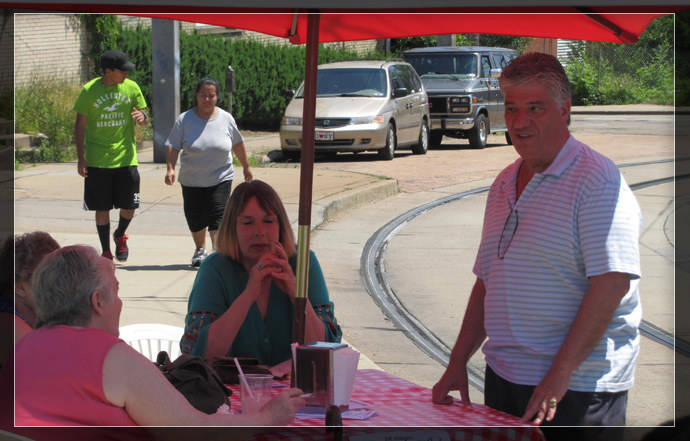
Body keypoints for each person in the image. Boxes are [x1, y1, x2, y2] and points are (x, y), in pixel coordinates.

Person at [432, 53, 642, 441]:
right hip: (504, 377)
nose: (519, 121)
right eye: (511, 108)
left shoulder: (597, 181)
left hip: (577, 390)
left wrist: (557, 377)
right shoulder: (502, 184)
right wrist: (458, 360)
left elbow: (612, 284)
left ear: (564, 109)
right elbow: (487, 281)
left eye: (534, 108)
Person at [0, 245, 305, 441]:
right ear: (97, 302)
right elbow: (196, 431)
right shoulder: (109, 357)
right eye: (116, 292)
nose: (120, 303)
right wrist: (269, 416)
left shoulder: (22, 348)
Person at [180, 180, 342, 365]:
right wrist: (248, 295)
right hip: (229, 391)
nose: (259, 231)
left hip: (295, 391)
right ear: (232, 228)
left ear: (281, 226)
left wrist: (295, 292)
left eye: (268, 221)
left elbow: (328, 349)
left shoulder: (304, 263)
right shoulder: (215, 269)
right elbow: (195, 353)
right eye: (248, 222)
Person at [165, 77, 253, 267]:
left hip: (220, 176)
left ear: (217, 97)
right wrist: (170, 168)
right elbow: (173, 146)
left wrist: (246, 166)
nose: (207, 99)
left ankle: (217, 253)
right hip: (192, 179)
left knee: (218, 214)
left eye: (211, 96)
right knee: (195, 216)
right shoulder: (185, 120)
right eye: (203, 95)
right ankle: (200, 249)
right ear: (196, 96)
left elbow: (237, 143)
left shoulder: (226, 118)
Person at [74, 49, 148, 262]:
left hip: (126, 158)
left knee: (130, 205)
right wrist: (81, 158)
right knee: (102, 207)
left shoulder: (131, 87)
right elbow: (80, 126)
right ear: (108, 71)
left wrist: (142, 117)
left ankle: (120, 234)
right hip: (98, 160)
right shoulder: (89, 91)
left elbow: (144, 117)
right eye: (122, 70)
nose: (126, 73)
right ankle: (106, 251)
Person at [0, 231, 60, 368]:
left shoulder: (34, 316)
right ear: (20, 288)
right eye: (49, 279)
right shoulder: (8, 324)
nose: (61, 284)